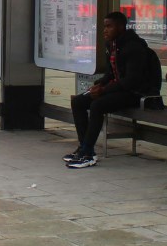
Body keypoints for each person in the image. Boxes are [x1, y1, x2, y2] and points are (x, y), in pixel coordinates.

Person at [66, 11, 162, 169]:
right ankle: (83, 147)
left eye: (109, 26)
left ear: (121, 27)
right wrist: (99, 84)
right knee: (78, 101)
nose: (105, 30)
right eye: (104, 26)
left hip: (137, 93)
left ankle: (88, 153)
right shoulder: (111, 45)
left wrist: (103, 91)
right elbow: (111, 73)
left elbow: (132, 81)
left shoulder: (134, 47)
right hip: (120, 89)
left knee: (98, 105)